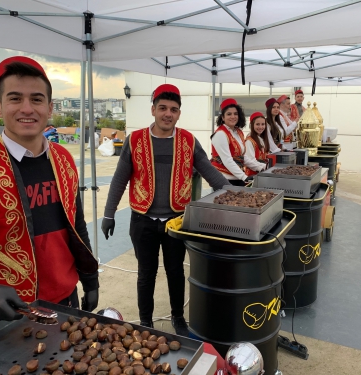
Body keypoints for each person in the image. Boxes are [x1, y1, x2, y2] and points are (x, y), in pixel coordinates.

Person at [0, 56, 99, 329]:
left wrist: (89, 277)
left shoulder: (63, 159)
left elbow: (76, 225)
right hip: (12, 312)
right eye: (15, 98)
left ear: (50, 108)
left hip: (67, 301)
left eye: (37, 99)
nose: (27, 108)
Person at [101, 84, 229, 336]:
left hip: (176, 222)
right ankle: (146, 321)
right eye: (162, 108)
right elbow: (119, 179)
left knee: (175, 271)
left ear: (179, 113)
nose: (167, 114)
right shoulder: (135, 139)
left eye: (173, 109)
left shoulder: (189, 141)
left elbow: (210, 172)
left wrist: (233, 195)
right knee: (145, 273)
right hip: (142, 220)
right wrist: (108, 213)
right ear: (153, 110)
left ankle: (178, 317)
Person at [211, 98, 257, 185]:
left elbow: (242, 157)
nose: (233, 116)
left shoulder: (238, 132)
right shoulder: (220, 134)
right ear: (223, 117)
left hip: (237, 176)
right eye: (229, 114)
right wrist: (244, 177)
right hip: (224, 179)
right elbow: (227, 160)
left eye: (235, 114)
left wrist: (260, 167)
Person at [244, 112, 269, 176]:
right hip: (253, 175)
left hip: (262, 173)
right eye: (257, 124)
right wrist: (266, 167)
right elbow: (250, 161)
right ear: (252, 125)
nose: (260, 127)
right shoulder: (249, 141)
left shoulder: (262, 139)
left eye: (263, 124)